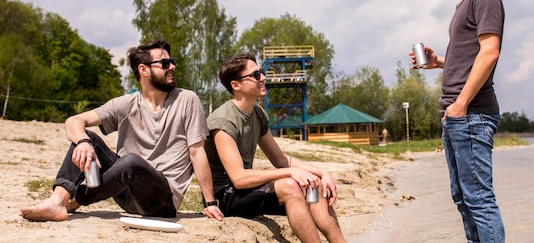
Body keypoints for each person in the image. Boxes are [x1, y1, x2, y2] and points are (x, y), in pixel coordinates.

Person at [20, 40, 223, 222]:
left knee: (132, 162)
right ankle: (57, 201)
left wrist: (210, 203)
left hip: (162, 201)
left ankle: (78, 199)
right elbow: (75, 120)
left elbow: (197, 153)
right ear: (143, 70)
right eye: (164, 63)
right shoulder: (126, 104)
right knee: (89, 138)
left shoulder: (187, 100)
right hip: (125, 193)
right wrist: (83, 142)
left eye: (172, 61)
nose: (172, 67)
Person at [410, 0, 505, 242]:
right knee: (464, 200)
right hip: (457, 116)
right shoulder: (464, 4)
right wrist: (438, 61)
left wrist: (462, 103)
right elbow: (470, 54)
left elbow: (490, 51)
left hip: (471, 114)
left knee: (479, 199)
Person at [204, 52, 347, 243]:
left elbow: (280, 159)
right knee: (289, 186)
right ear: (236, 85)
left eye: (261, 72)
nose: (263, 78)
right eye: (255, 75)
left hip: (248, 190)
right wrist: (289, 173)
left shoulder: (258, 114)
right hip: (226, 196)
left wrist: (322, 173)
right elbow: (238, 179)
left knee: (314, 185)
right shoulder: (223, 121)